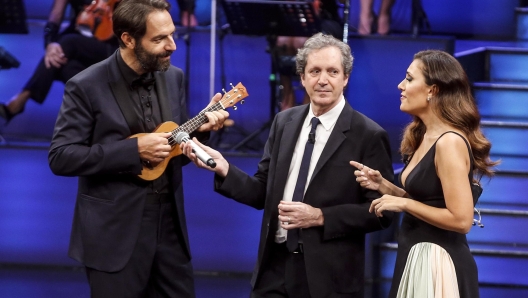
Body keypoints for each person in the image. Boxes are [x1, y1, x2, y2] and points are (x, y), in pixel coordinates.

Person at [181, 33, 394, 298]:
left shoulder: (368, 134)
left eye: (332, 71)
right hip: (274, 269)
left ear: (345, 78)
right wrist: (224, 168)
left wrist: (321, 216)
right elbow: (262, 193)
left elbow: (383, 213)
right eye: (314, 71)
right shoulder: (284, 122)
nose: (323, 80)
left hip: (327, 278)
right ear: (302, 78)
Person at [48, 0, 229, 296]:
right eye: (159, 39)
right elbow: (61, 157)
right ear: (128, 40)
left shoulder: (173, 77)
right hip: (114, 235)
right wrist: (133, 151)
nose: (172, 46)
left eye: (172, 34)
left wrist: (200, 134)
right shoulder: (86, 85)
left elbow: (167, 154)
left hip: (170, 230)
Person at [351, 50, 498, 297]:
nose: (401, 85)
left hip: (437, 264)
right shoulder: (423, 135)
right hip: (415, 254)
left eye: (409, 79)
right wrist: (385, 186)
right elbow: (426, 199)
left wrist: (403, 203)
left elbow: (461, 220)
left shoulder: (449, 142)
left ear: (433, 90)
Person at [0, 0, 120, 123]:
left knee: (67, 43)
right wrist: (49, 43)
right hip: (75, 43)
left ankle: (21, 99)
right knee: (65, 64)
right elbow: (55, 15)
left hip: (111, 45)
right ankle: (99, 116)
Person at [277, 0, 344, 111]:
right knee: (282, 41)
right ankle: (287, 93)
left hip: (325, 19)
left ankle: (309, 99)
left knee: (302, 41)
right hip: (291, 18)